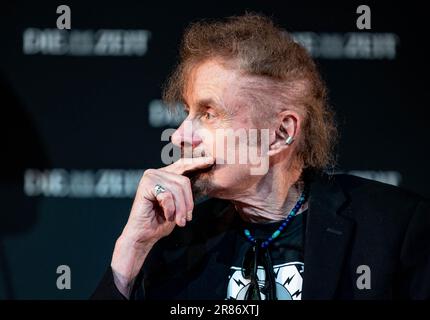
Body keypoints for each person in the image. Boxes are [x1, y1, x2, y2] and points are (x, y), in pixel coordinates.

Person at [92, 14, 430, 300]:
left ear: (281, 133)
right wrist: (131, 250)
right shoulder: (175, 240)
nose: (180, 136)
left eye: (208, 114)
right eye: (187, 112)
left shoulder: (392, 229)